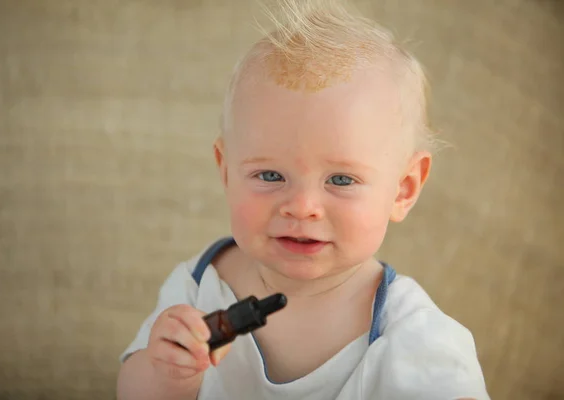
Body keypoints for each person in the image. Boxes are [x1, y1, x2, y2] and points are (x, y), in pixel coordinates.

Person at [116, 0, 490, 399]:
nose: (301, 206)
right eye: (270, 175)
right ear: (226, 171)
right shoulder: (198, 285)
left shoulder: (418, 344)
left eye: (341, 179)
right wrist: (168, 373)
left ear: (403, 189)